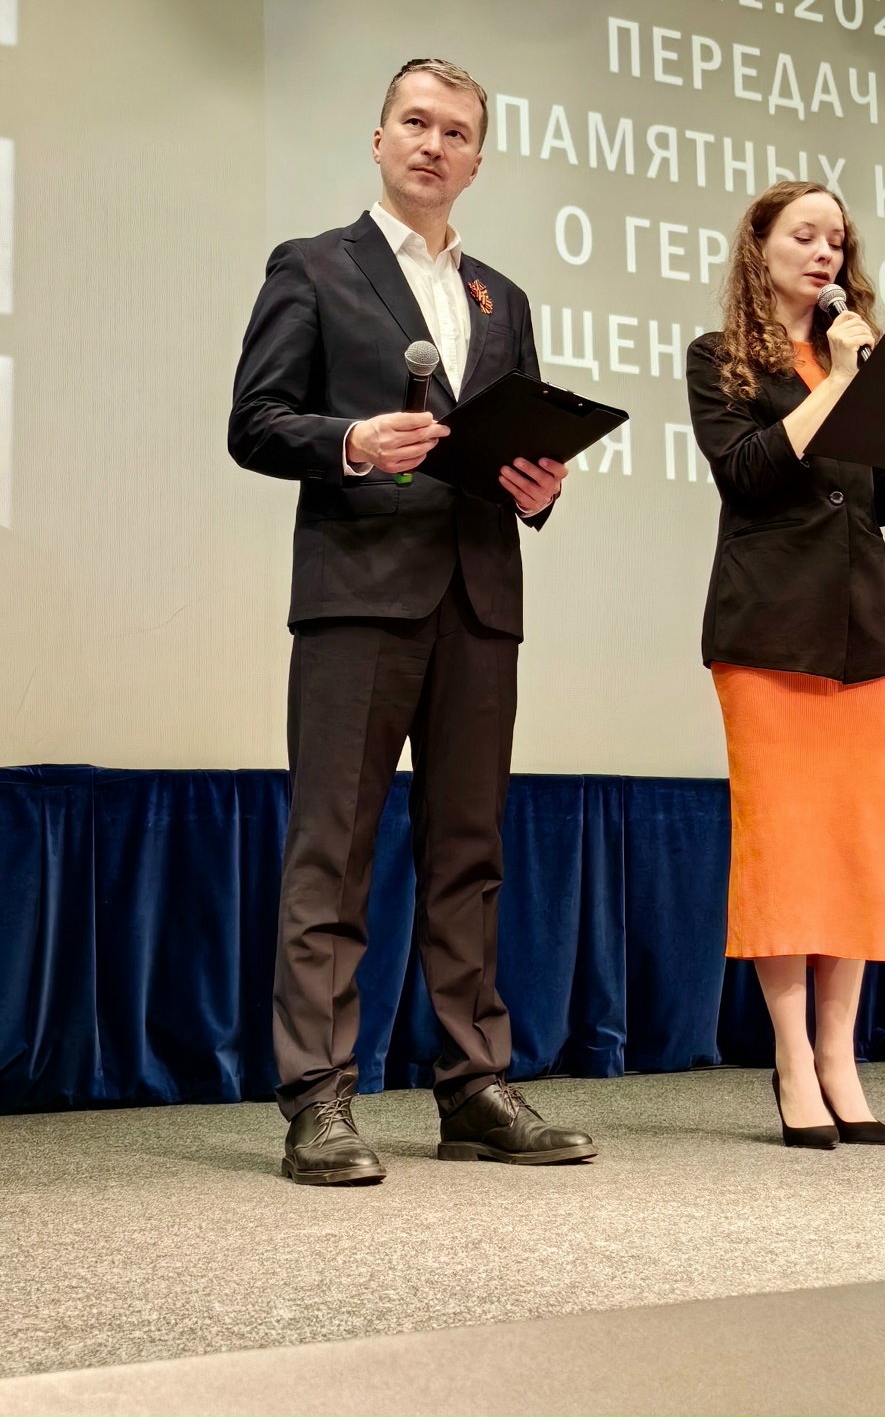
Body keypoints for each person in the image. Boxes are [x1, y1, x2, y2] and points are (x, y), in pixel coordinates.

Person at [229, 57, 596, 1182]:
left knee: (469, 851)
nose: (434, 144)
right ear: (380, 138)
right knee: (332, 850)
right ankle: (319, 1097)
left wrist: (538, 488)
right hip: (358, 593)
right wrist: (350, 441)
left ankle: (474, 1086)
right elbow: (255, 421)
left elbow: (517, 444)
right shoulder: (312, 265)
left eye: (456, 132)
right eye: (415, 122)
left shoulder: (502, 298)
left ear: (478, 160)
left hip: (478, 598)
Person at [686, 181, 885, 1150]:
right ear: (758, 248)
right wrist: (841, 383)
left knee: (852, 844)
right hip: (767, 633)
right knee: (784, 842)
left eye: (835, 239)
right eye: (803, 235)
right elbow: (748, 472)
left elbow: (873, 499)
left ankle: (840, 1058)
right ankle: (792, 1059)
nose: (823, 252)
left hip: (862, 632)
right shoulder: (719, 357)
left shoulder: (862, 356)